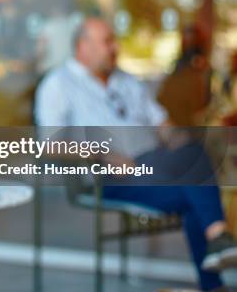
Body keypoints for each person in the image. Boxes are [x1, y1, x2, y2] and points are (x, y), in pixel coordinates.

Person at [35, 17, 237, 292]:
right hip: (107, 179)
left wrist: (174, 137)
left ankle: (215, 266)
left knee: (192, 162)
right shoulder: (58, 84)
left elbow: (161, 123)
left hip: (152, 165)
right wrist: (102, 153)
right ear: (83, 47)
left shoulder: (126, 80)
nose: (115, 47)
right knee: (196, 190)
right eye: (107, 42)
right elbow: (48, 145)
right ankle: (218, 245)